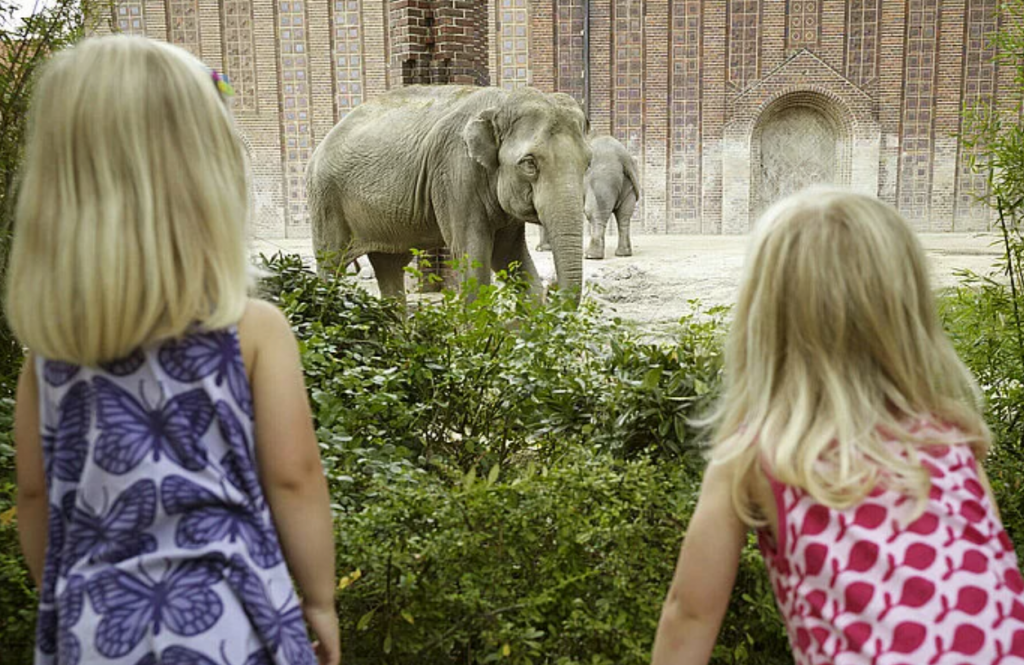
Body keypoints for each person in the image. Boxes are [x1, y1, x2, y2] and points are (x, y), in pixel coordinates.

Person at [9, 35, 340, 665]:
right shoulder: (251, 331)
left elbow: (33, 499)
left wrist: (75, 596)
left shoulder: (50, 354)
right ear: (208, 177)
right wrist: (319, 599)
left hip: (96, 626)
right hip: (231, 619)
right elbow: (294, 480)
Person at [651, 187, 1024, 664]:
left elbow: (690, 614)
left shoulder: (759, 455)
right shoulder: (951, 438)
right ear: (907, 316)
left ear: (763, 320)